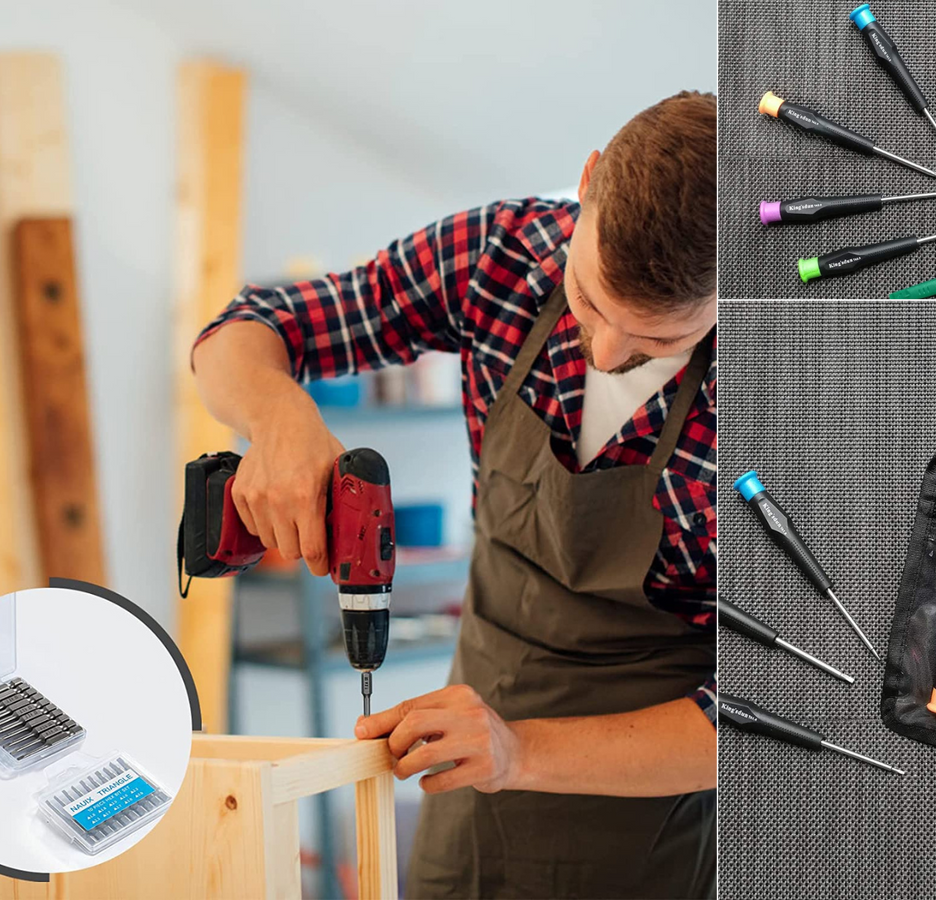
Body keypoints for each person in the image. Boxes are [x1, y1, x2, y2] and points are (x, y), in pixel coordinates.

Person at [192, 90, 717, 899]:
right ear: (587, 184)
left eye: (658, 341)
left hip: (649, 807)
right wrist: (280, 417)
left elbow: (784, 715)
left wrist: (521, 752)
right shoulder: (500, 258)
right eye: (587, 301)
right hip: (474, 760)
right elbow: (247, 328)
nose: (606, 350)